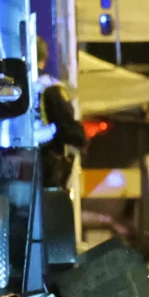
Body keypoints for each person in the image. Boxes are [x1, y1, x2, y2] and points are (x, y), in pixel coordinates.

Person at [33, 38, 85, 189]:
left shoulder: (17, 80)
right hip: (43, 166)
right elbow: (70, 131)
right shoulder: (51, 88)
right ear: (44, 58)